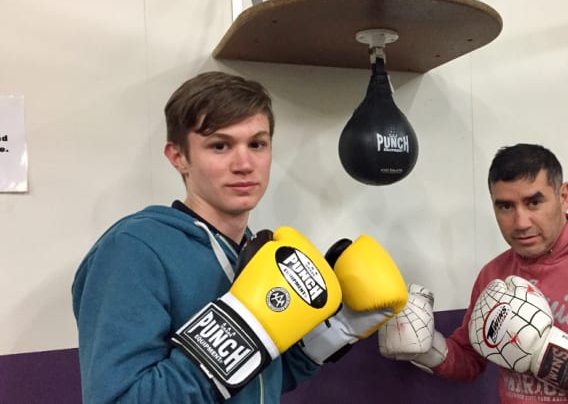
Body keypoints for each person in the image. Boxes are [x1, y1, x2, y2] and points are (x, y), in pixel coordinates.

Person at [72, 71, 408, 404]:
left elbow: (260, 384)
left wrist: (333, 333)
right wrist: (237, 332)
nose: (245, 164)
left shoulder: (253, 249)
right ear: (178, 157)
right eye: (220, 145)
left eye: (257, 144)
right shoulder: (134, 249)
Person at [379, 143, 568, 404]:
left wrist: (542, 352)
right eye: (505, 206)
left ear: (564, 196)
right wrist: (427, 346)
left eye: (534, 202)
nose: (520, 222)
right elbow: (470, 362)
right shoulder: (495, 274)